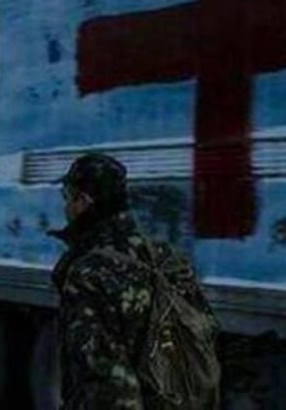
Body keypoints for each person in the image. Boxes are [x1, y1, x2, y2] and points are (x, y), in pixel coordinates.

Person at [50, 153, 221, 410]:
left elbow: (105, 381)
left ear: (83, 201)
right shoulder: (166, 257)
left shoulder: (90, 274)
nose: (65, 209)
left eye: (67, 198)